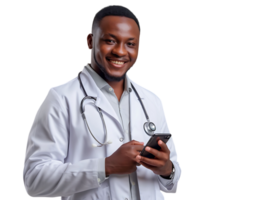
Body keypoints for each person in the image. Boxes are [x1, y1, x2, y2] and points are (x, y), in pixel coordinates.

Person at [21, 4, 183, 200]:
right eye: (111, 40)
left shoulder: (153, 100)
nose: (120, 51)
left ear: (139, 48)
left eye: (130, 44)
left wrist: (167, 169)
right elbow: (34, 181)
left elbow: (174, 184)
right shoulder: (60, 98)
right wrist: (106, 166)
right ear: (89, 41)